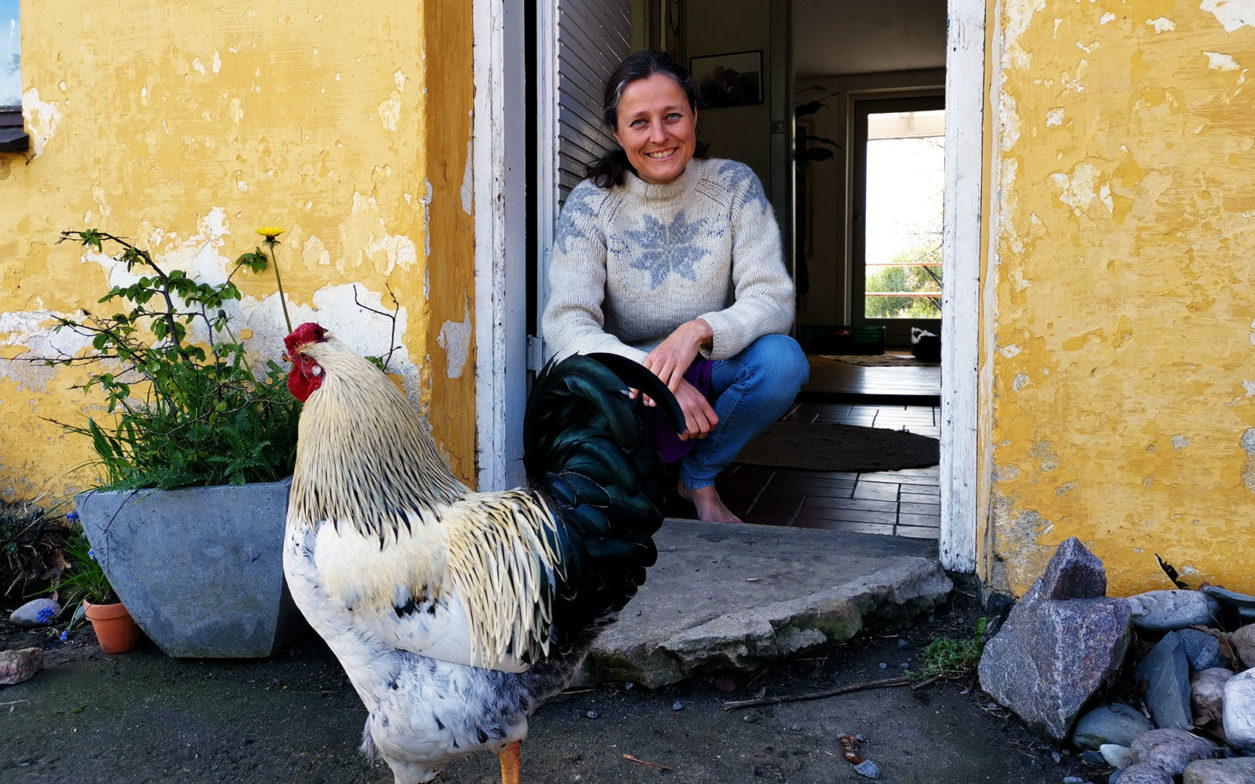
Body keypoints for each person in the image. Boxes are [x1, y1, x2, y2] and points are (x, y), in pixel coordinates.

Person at [541, 50, 809, 523]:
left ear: (694, 117)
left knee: (782, 362)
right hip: (626, 379)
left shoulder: (733, 186)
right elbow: (568, 325)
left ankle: (698, 478)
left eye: (672, 117)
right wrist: (657, 377)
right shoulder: (590, 203)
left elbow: (772, 298)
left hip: (708, 363)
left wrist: (697, 331)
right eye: (639, 122)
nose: (659, 136)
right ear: (617, 132)